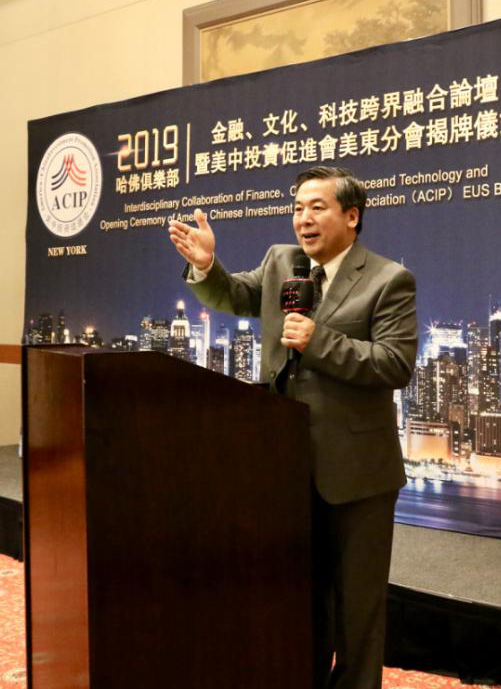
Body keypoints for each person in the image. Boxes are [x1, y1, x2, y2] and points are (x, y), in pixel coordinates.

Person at [168, 165, 417, 689]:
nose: (303, 218)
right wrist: (207, 265)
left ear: (352, 216)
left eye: (317, 207)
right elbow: (231, 295)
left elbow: (395, 365)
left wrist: (318, 340)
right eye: (298, 208)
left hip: (358, 475)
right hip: (285, 468)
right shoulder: (281, 262)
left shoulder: (388, 279)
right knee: (300, 599)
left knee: (358, 608)